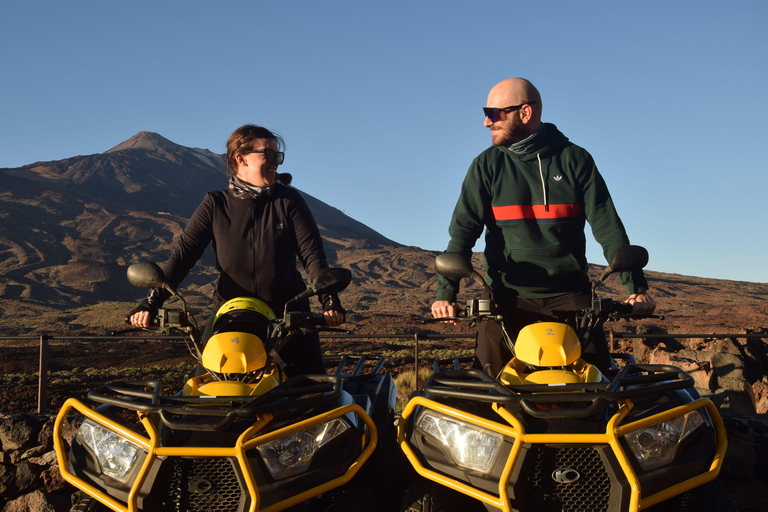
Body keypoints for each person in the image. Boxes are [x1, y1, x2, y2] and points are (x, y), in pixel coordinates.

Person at [432, 77, 655, 375]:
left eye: (493, 113)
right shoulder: (485, 166)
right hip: (505, 296)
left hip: (570, 293)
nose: (486, 123)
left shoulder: (575, 160)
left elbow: (607, 224)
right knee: (486, 384)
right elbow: (463, 231)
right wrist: (446, 294)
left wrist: (635, 288)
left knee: (599, 385)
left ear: (525, 113)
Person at [129, 124, 344, 376]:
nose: (277, 163)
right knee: (203, 390)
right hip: (231, 313)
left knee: (314, 392)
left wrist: (330, 301)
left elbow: (313, 256)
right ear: (241, 158)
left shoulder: (289, 201)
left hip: (288, 315)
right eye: (270, 155)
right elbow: (182, 258)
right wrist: (151, 303)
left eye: (279, 156)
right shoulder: (215, 204)